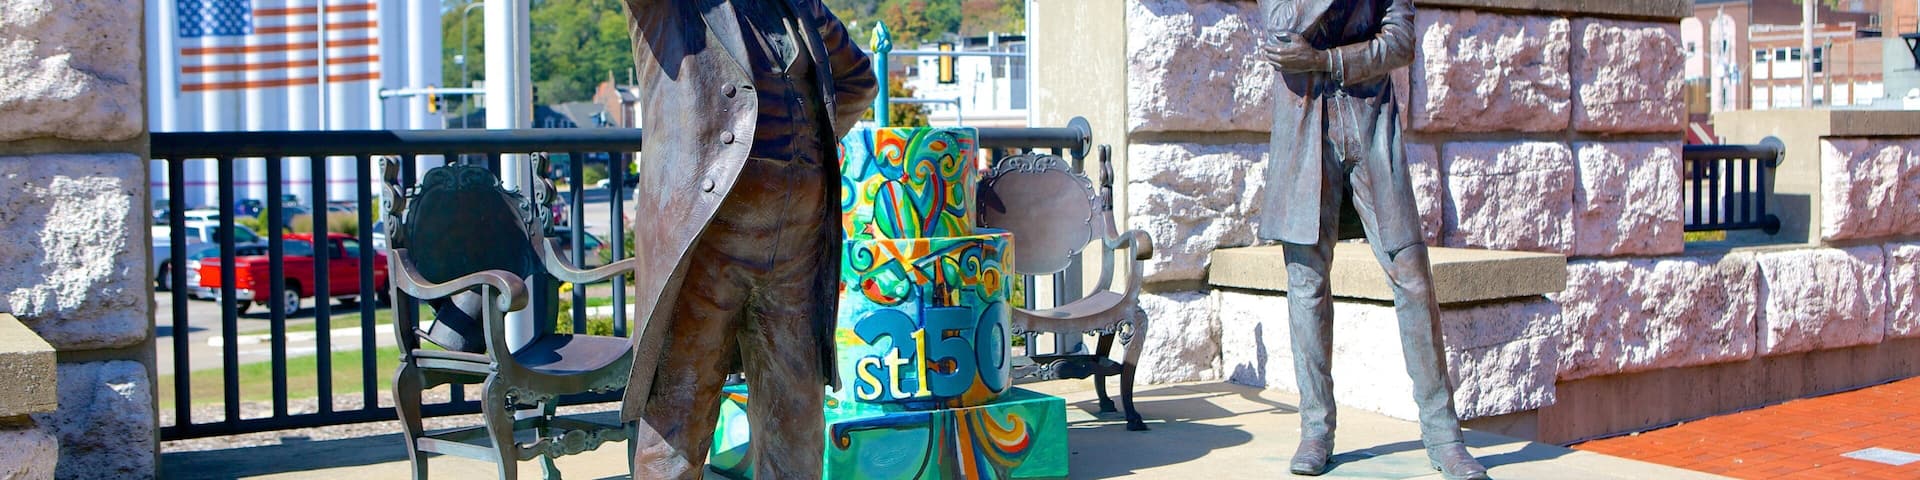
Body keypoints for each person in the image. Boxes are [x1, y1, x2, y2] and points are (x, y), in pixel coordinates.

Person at [617, 0, 877, 478]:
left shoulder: (802, 7)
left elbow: (859, 79)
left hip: (797, 250)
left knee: (796, 420)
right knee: (680, 418)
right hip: (706, 246)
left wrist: (808, 151)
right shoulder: (673, 9)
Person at [1257, 0, 1490, 479]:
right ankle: (1316, 429)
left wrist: (1326, 60)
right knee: (1306, 283)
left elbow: (1401, 41)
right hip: (1304, 126)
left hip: (1370, 121)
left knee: (1411, 275)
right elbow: (1283, 30)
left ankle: (1444, 434)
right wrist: (1322, 57)